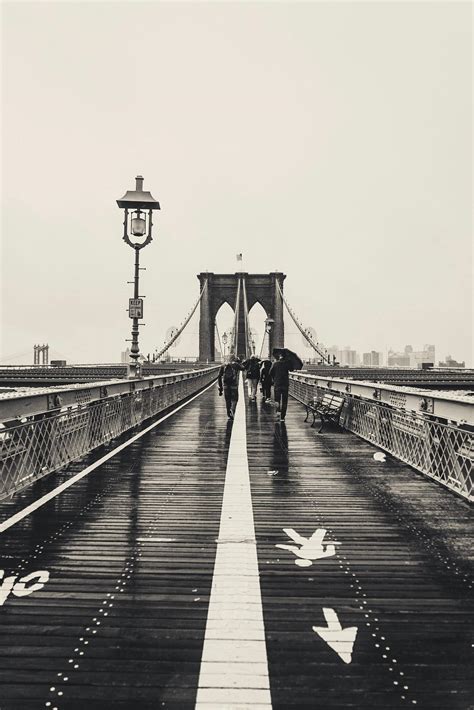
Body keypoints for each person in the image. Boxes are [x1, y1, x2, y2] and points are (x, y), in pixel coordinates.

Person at [269, 348, 299, 421]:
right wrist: (290, 362)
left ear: (280, 356)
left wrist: (274, 378)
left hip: (277, 384)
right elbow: (292, 369)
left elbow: (270, 373)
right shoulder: (287, 363)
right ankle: (282, 417)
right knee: (284, 401)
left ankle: (278, 412)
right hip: (285, 384)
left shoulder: (275, 364)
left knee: (277, 400)